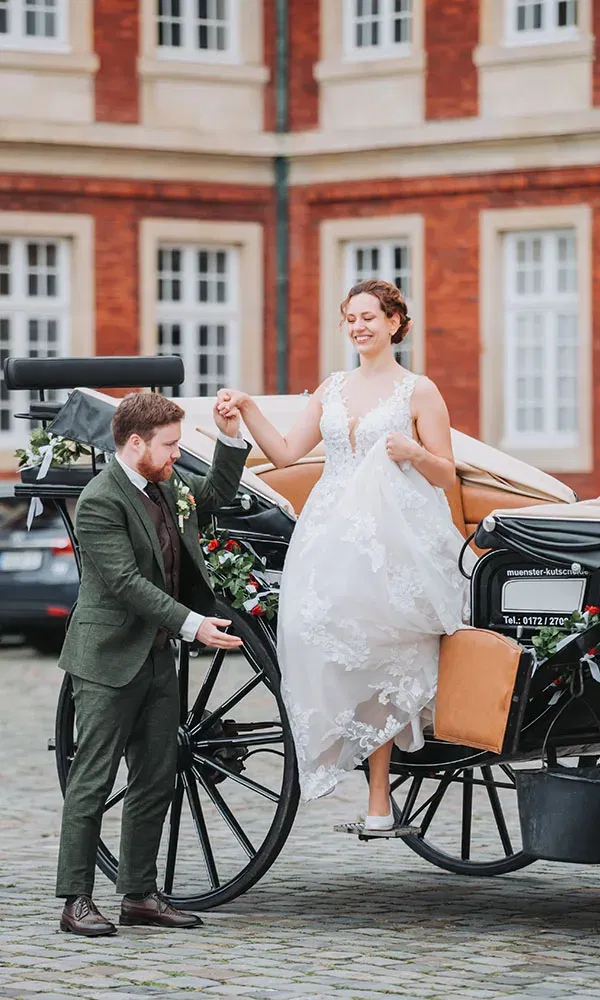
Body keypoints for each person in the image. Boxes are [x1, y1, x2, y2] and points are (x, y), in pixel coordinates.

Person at [216, 279, 471, 828]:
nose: (359, 327)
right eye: (350, 318)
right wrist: (248, 411)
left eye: (369, 317)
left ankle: (380, 801)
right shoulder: (332, 388)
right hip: (330, 534)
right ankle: (338, 751)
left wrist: (412, 451)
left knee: (388, 650)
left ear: (396, 322)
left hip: (395, 533)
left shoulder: (419, 391)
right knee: (330, 641)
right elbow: (285, 451)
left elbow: (446, 472)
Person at [55, 391, 250, 937]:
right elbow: (124, 583)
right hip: (107, 658)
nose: (175, 455)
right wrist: (193, 623)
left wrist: (230, 436)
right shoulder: (99, 500)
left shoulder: (166, 485)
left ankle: (138, 895)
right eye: (168, 445)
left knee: (157, 776)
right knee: (92, 779)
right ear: (135, 443)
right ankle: (75, 900)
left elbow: (212, 496)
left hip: (158, 656)